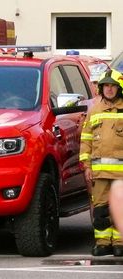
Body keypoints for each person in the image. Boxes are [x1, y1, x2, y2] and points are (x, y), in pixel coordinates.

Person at [80, 69, 123, 257]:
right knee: (100, 209)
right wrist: (86, 166)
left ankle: (120, 243)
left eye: (113, 86)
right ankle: (103, 243)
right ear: (101, 88)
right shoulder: (95, 111)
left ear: (119, 89)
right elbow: (86, 139)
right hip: (99, 173)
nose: (109, 89)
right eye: (106, 86)